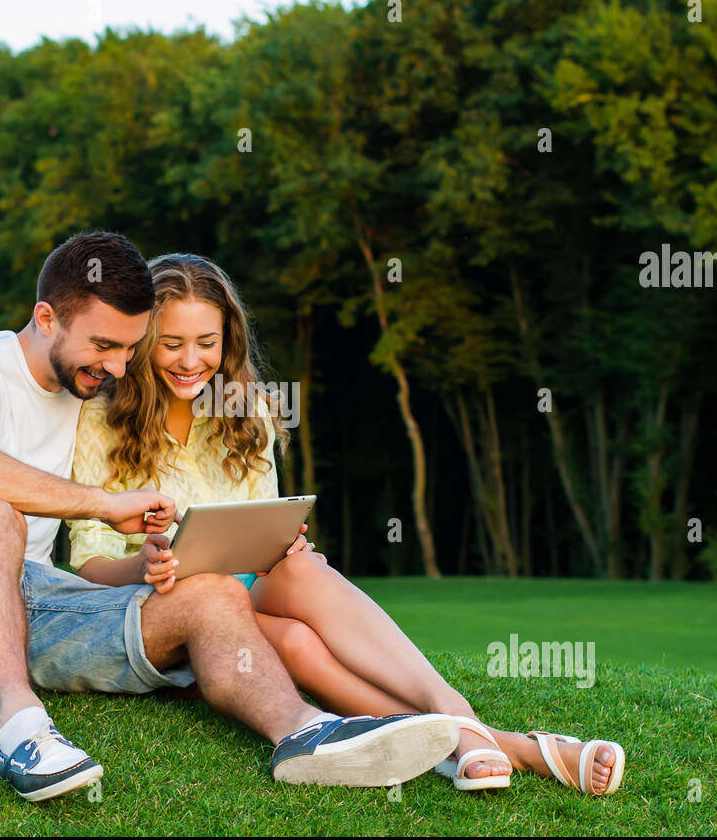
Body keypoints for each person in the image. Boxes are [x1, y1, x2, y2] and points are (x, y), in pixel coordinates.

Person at [0, 231, 462, 802]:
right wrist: (103, 504)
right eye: (104, 346)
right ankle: (24, 734)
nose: (119, 368)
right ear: (47, 319)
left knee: (213, 594)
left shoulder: (85, 391)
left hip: (28, 608)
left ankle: (303, 732)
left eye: (129, 349)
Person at [68, 253, 626, 796]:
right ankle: (500, 742)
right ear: (141, 345)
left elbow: (256, 531)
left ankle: (452, 713)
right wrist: (142, 564)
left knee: (304, 568)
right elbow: (86, 564)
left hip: (251, 592)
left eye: (207, 343)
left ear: (228, 343)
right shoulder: (99, 420)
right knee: (296, 642)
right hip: (170, 616)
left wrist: (280, 546)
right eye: (171, 344)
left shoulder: (246, 412)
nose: (191, 360)